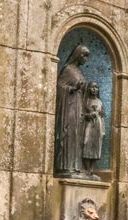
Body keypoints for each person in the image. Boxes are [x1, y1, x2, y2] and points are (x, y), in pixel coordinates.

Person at [55, 45, 90, 177]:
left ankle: (75, 166)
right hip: (68, 108)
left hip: (78, 107)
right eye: (84, 55)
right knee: (68, 134)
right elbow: (60, 86)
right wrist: (72, 89)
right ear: (77, 55)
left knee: (77, 136)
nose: (86, 59)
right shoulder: (68, 69)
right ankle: (65, 167)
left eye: (87, 56)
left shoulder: (79, 72)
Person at [82, 81, 105, 179]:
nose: (94, 89)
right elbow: (81, 114)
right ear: (89, 89)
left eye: (96, 87)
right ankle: (86, 169)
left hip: (98, 125)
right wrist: (89, 115)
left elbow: (102, 116)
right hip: (88, 125)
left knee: (96, 146)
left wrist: (103, 130)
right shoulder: (85, 101)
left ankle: (91, 170)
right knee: (86, 143)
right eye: (92, 87)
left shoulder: (100, 102)